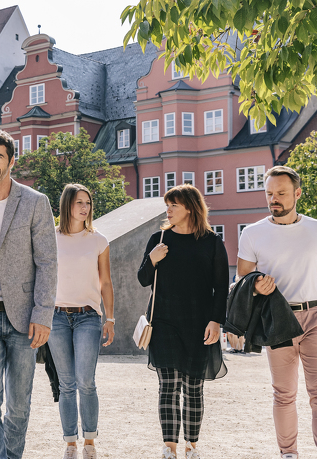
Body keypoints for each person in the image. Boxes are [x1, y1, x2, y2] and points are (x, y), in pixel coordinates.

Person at [237, 166, 317, 459]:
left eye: (281, 193)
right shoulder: (251, 234)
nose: (274, 199)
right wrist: (256, 288)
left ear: (297, 194)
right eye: (269, 193)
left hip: (316, 316)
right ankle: (288, 454)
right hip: (277, 320)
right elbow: (241, 283)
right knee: (284, 394)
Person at [0, 129, 57, 459]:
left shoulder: (35, 202)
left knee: (18, 407)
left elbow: (48, 262)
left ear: (11, 161)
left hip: (25, 319)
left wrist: (43, 314)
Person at [137, 184, 228, 459]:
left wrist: (216, 320)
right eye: (168, 205)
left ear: (190, 207)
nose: (169, 210)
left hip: (199, 323)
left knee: (193, 388)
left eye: (174, 205)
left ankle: (191, 446)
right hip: (164, 321)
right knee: (168, 385)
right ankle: (170, 447)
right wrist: (152, 260)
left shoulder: (212, 241)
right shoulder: (159, 237)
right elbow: (142, 279)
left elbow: (221, 286)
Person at [47, 184, 114, 459]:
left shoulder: (98, 240)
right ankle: (70, 442)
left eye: (87, 202)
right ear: (67, 206)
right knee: (66, 384)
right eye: (79, 203)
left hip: (89, 316)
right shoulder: (50, 238)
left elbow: (106, 282)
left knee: (86, 380)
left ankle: (90, 441)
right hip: (56, 317)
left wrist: (110, 317)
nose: (84, 207)